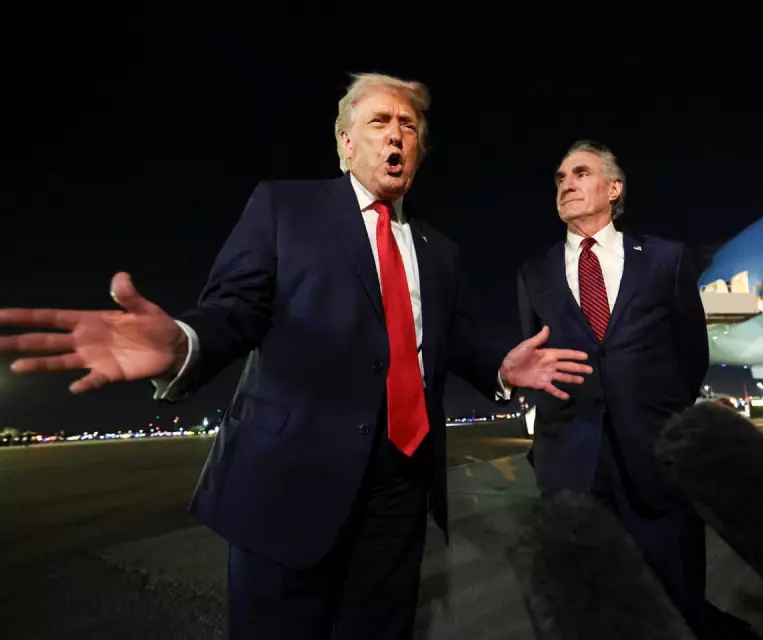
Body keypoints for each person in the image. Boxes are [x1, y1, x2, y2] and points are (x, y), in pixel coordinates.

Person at [0, 73, 593, 640]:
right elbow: (234, 308)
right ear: (345, 144)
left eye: (409, 126)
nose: (396, 134)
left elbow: (454, 338)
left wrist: (500, 367)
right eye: (379, 121)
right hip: (293, 479)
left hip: (401, 486)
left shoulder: (439, 250)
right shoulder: (285, 208)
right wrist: (185, 341)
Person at [516, 141, 711, 636]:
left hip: (654, 456)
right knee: (587, 605)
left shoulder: (666, 259)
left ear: (614, 188)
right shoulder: (533, 272)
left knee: (674, 597)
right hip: (571, 464)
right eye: (560, 178)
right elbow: (535, 358)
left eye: (580, 173)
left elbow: (692, 354)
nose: (566, 184)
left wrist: (659, 416)